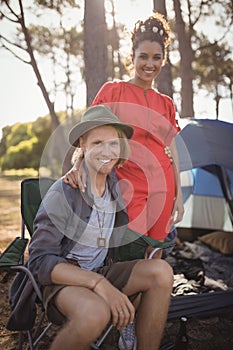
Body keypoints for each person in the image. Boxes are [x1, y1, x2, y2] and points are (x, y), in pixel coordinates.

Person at [15, 105, 173, 350]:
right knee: (95, 312)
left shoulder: (114, 185)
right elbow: (39, 261)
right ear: (83, 145)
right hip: (63, 279)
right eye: (97, 142)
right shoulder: (64, 192)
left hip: (101, 269)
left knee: (161, 272)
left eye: (113, 143)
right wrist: (99, 284)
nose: (106, 151)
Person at [63, 12, 184, 244]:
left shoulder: (166, 103)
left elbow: (173, 150)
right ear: (132, 56)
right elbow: (91, 133)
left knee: (156, 249)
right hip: (127, 183)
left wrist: (179, 196)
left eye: (156, 58)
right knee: (130, 248)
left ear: (164, 60)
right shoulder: (114, 91)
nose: (150, 64)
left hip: (164, 186)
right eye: (143, 57)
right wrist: (78, 165)